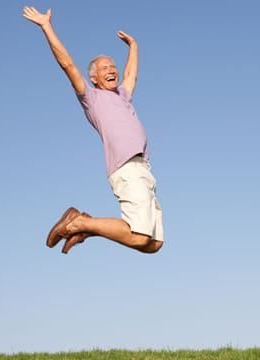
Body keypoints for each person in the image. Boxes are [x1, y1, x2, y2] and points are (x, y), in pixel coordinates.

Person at [23, 6, 164, 254]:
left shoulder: (123, 96)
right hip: (126, 167)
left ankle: (86, 227)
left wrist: (134, 46)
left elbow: (131, 74)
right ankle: (78, 222)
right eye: (105, 68)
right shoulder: (92, 98)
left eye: (113, 66)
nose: (112, 70)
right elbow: (67, 63)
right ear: (95, 79)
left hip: (145, 170)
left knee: (154, 244)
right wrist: (46, 26)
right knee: (141, 236)